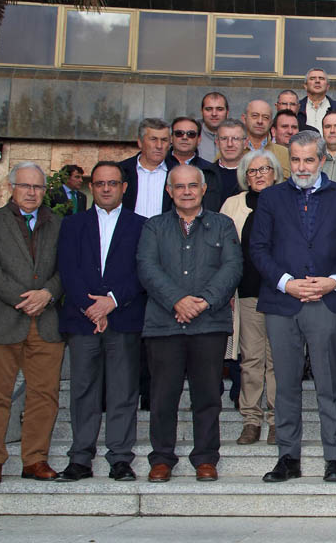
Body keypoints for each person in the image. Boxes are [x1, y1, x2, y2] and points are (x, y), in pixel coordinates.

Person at [249, 131, 336, 485]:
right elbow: (259, 249)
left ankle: (333, 460)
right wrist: (286, 282)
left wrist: (334, 281)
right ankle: (288, 457)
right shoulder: (270, 198)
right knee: (285, 385)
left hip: (326, 301)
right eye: (295, 159)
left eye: (308, 159)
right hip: (282, 302)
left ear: (322, 160)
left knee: (328, 384)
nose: (301, 166)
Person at [137, 164, 241, 482]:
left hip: (208, 324)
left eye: (192, 186)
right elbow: (147, 266)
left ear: (203, 189)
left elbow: (233, 266)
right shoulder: (154, 227)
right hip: (164, 324)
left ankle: (206, 458)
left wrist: (205, 301)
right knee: (163, 395)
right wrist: (177, 301)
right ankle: (162, 459)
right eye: (179, 187)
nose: (186, 192)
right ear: (169, 191)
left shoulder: (222, 225)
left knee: (208, 395)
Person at [0, 162, 65, 486]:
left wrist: (49, 293)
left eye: (38, 187)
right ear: (12, 187)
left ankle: (35, 459)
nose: (32, 192)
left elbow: (70, 266)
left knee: (45, 395)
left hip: (46, 323)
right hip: (0, 322)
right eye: (25, 186)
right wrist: (26, 298)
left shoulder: (60, 224)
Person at [54, 161, 147, 483]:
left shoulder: (141, 226)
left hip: (123, 318)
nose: (106, 188)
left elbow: (142, 271)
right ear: (91, 187)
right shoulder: (72, 225)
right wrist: (91, 307)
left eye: (113, 183)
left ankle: (120, 458)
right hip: (83, 321)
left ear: (124, 187)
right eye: (99, 183)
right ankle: (80, 458)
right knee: (83, 391)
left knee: (123, 392)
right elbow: (68, 270)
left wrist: (112, 303)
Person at [219, 150, 282, 446]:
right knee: (251, 359)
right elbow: (220, 250)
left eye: (264, 169)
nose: (258, 175)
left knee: (277, 360)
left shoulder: (287, 199)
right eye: (252, 171)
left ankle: (277, 421)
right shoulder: (232, 205)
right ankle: (251, 421)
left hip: (281, 293)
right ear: (244, 176)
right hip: (246, 293)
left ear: (275, 173)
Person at [166, 116, 223, 213]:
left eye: (191, 134)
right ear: (171, 137)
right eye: (179, 133)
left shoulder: (209, 170)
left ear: (199, 139)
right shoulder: (160, 167)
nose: (184, 137)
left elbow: (211, 207)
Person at [120, 118, 171, 218]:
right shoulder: (121, 171)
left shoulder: (178, 172)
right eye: (153, 139)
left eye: (164, 140)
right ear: (140, 142)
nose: (159, 146)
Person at [298, 68, 336, 132]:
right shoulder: (297, 108)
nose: (317, 81)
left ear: (327, 86)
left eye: (321, 78)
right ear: (305, 86)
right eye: (312, 78)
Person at [212, 119, 247, 198]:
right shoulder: (207, 174)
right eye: (224, 138)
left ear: (245, 143)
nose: (229, 144)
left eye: (235, 138)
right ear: (217, 143)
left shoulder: (253, 175)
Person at [198, 92, 229, 162]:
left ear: (227, 112)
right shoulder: (192, 135)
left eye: (219, 109)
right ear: (201, 111)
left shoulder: (238, 136)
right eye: (209, 109)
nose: (214, 114)